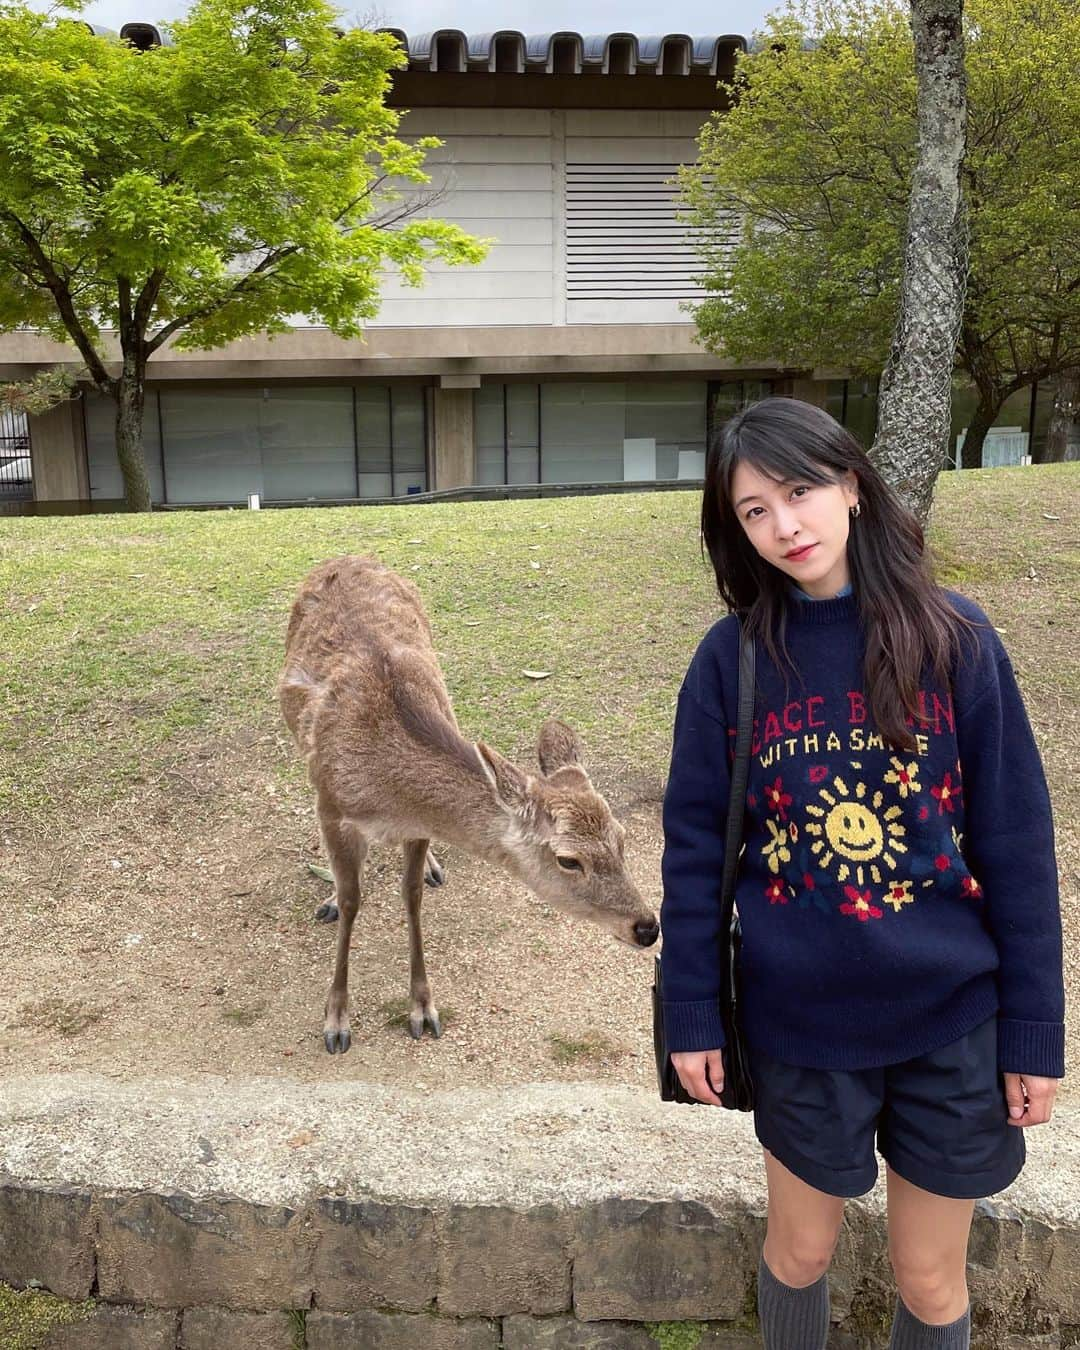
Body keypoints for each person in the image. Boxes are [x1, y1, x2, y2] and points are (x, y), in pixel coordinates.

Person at [659, 397, 1065, 1350]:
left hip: (951, 1019)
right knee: (799, 1254)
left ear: (850, 485)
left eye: (798, 493)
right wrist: (691, 1013)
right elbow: (692, 852)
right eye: (753, 510)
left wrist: (1036, 1033)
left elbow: (1016, 842)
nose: (783, 526)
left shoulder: (957, 639)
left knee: (929, 1278)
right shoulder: (734, 662)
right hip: (800, 1022)